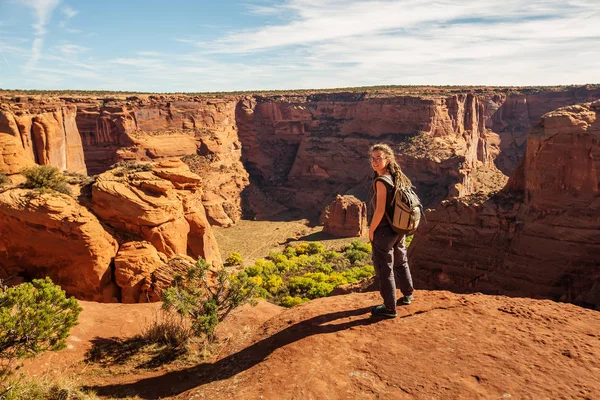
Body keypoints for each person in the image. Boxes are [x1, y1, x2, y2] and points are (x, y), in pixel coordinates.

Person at [368, 143, 415, 318]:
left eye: (379, 158)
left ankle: (389, 308)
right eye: (373, 158)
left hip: (384, 232)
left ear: (388, 159)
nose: (374, 161)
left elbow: (380, 210)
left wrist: (371, 230)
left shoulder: (381, 181)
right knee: (401, 261)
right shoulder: (396, 176)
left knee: (384, 268)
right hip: (399, 228)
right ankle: (408, 294)